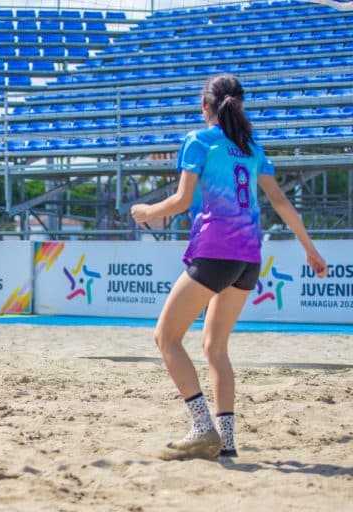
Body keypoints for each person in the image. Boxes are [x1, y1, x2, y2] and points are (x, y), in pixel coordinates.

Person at [130, 74, 328, 460]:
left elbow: (181, 201)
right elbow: (281, 202)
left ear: (204, 105)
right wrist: (310, 249)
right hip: (248, 257)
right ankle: (227, 441)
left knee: (166, 337)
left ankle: (202, 427)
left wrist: (147, 211)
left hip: (216, 251)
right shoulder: (251, 147)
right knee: (215, 346)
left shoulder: (199, 140)